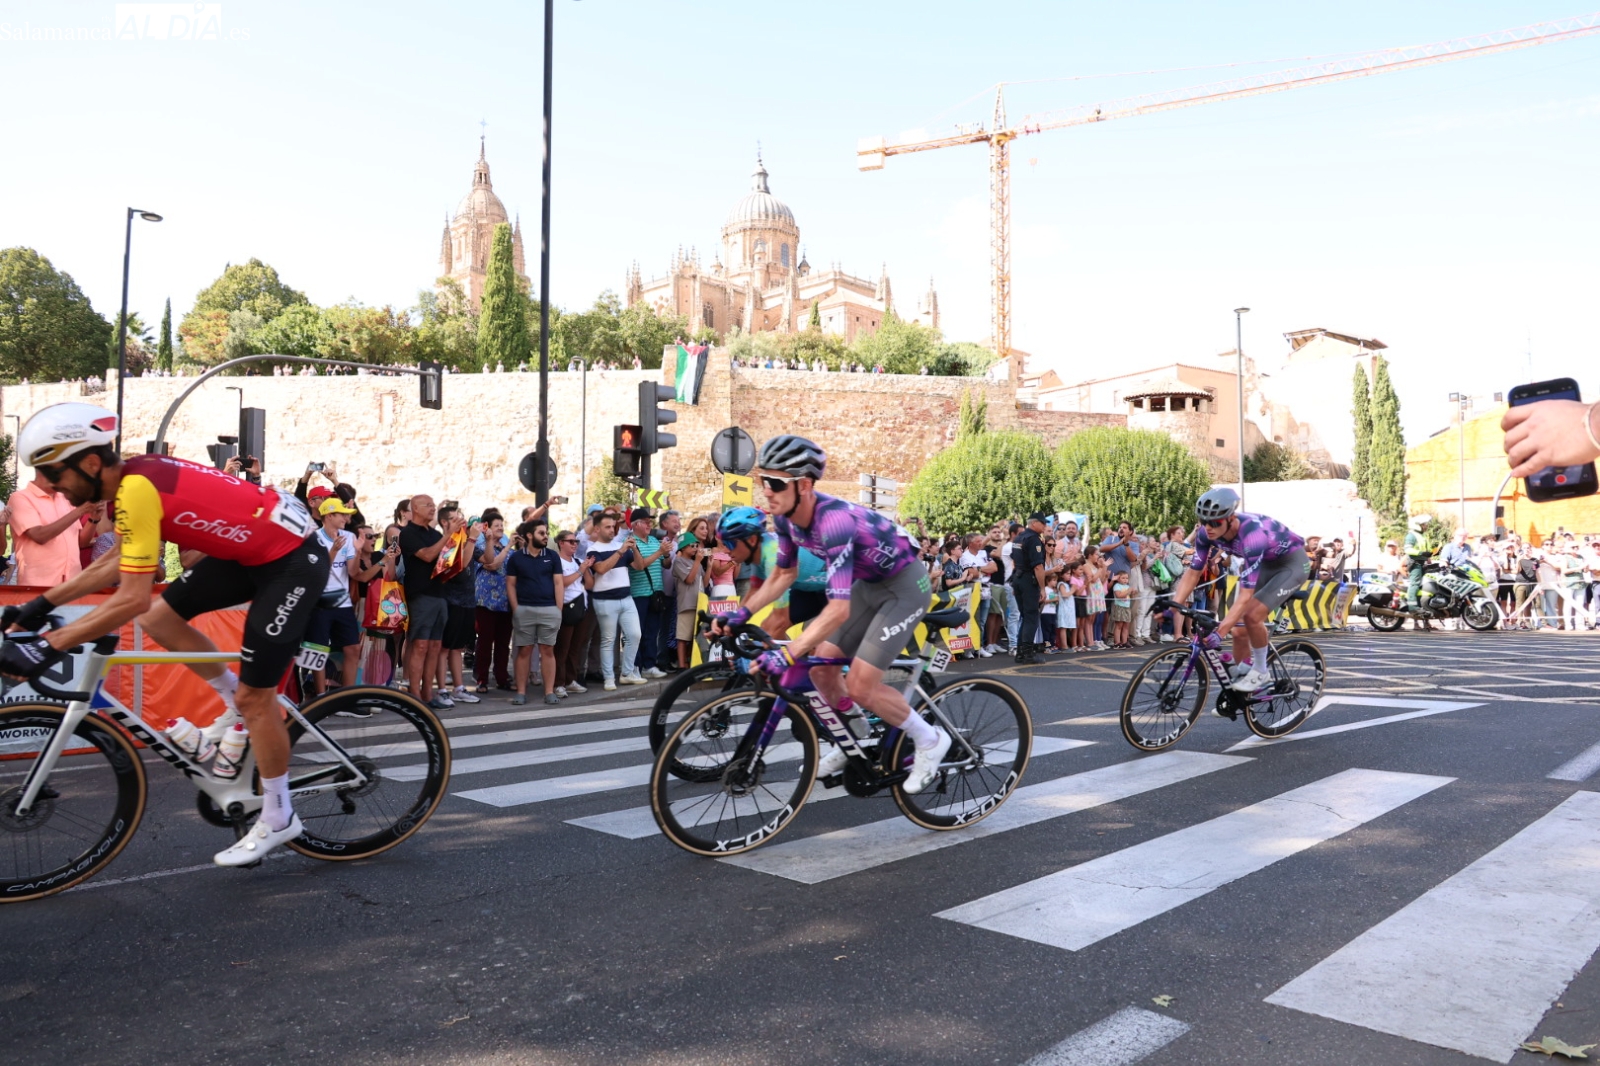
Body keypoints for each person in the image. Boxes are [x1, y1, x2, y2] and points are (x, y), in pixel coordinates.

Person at [0, 403, 328, 866]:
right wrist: (40, 606)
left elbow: (131, 597)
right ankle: (235, 704)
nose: (52, 486)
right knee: (159, 619)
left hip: (292, 561)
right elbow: (117, 561)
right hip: (249, 553)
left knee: (257, 698)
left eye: (54, 473)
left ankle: (279, 816)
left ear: (90, 462)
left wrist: (48, 645)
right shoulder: (131, 482)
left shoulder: (136, 487)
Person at [710, 435, 950, 793]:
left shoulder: (833, 522)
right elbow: (783, 575)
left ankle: (930, 740)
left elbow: (837, 609)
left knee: (861, 685)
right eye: (763, 480)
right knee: (822, 669)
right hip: (869, 585)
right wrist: (740, 614)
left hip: (904, 587)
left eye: (775, 482)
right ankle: (856, 739)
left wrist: (788, 653)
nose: (767, 490)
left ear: (805, 485)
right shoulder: (787, 520)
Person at [1163, 487, 1309, 694]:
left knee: (1251, 616)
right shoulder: (1206, 534)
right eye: (1204, 521)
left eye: (1215, 522)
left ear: (1231, 519)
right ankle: (1243, 694)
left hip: (1291, 564)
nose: (1208, 527)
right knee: (1238, 630)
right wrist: (1173, 607)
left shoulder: (1252, 535)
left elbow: (1245, 595)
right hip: (1265, 564)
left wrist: (1219, 633)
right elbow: (1193, 573)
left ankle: (1261, 671)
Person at [714, 506, 831, 637]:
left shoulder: (773, 556)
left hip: (842, 586)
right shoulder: (759, 552)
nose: (725, 551)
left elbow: (781, 617)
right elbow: (755, 591)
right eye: (724, 544)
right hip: (814, 589)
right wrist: (728, 620)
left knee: (820, 644)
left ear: (752, 540)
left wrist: (737, 619)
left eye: (730, 544)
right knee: (768, 628)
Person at [399, 495, 463, 709]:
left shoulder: (434, 534)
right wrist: (448, 535)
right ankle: (415, 695)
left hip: (440, 594)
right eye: (428, 505)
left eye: (433, 505)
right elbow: (427, 555)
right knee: (420, 645)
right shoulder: (408, 533)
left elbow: (446, 560)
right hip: (420, 595)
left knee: (435, 646)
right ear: (415, 509)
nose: (433, 508)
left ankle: (428, 693)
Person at [307, 497, 364, 702]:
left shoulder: (349, 536)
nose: (346, 518)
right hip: (319, 602)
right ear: (329, 516)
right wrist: (333, 551)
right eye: (342, 514)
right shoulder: (313, 538)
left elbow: (353, 572)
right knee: (318, 650)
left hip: (343, 602)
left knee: (352, 648)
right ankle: (321, 698)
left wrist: (358, 551)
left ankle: (348, 699)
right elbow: (317, 572)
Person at [505, 519, 564, 705]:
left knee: (548, 650)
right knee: (524, 651)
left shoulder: (553, 556)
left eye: (546, 533)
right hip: (524, 610)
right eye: (541, 533)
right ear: (529, 535)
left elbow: (558, 583)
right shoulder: (516, 558)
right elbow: (510, 584)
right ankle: (521, 692)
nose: (546, 536)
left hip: (549, 609)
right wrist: (516, 608)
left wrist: (558, 609)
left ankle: (549, 692)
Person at [585, 512, 645, 691]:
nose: (612, 530)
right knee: (608, 640)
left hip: (626, 597)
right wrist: (621, 551)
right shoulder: (592, 549)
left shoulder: (621, 546)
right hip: (605, 600)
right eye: (608, 527)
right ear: (597, 529)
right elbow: (601, 569)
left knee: (635, 635)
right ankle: (609, 678)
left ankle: (627, 673)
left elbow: (639, 566)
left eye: (613, 526)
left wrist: (634, 549)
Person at [7, 464, 91, 587]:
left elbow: (81, 542)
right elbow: (39, 535)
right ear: (44, 472)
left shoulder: (65, 499)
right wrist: (80, 511)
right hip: (38, 584)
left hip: (71, 582)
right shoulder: (20, 498)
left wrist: (94, 519)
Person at [624, 507, 671, 681]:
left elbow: (666, 564)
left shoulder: (653, 540)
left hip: (656, 593)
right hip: (638, 594)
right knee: (637, 632)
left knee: (652, 631)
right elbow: (640, 565)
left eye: (650, 522)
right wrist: (660, 552)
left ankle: (649, 666)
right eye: (645, 522)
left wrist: (666, 555)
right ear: (635, 525)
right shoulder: (630, 542)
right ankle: (635, 666)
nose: (649, 525)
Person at [472, 511, 514, 693]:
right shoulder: (480, 545)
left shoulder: (507, 549)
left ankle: (502, 677)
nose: (501, 528)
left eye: (502, 525)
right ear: (487, 527)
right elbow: (492, 564)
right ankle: (481, 679)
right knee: (485, 642)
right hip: (485, 601)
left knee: (503, 643)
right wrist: (508, 546)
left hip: (505, 601)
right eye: (497, 525)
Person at [1010, 513, 1048, 664]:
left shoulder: (1019, 538)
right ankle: (1027, 653)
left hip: (1018, 578)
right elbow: (1038, 567)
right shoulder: (1033, 539)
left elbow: (1014, 560)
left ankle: (1020, 652)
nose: (1045, 526)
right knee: (1031, 616)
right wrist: (1042, 588)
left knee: (1025, 616)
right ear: (1034, 523)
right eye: (1042, 523)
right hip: (1028, 580)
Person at [671, 532, 706, 670]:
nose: (695, 548)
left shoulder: (697, 563)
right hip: (686, 604)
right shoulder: (679, 562)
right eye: (692, 545)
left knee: (695, 636)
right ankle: (681, 665)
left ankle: (690, 663)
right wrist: (697, 562)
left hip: (699, 603)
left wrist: (708, 565)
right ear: (683, 547)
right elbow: (689, 580)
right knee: (683, 637)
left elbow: (705, 583)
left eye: (697, 545)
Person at [1403, 514, 1436, 629]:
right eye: (1424, 524)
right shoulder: (1411, 535)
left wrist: (1429, 556)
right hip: (1416, 563)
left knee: (1426, 587)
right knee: (1415, 584)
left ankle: (1425, 613)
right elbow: (1408, 549)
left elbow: (1425, 549)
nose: (1426, 526)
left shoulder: (1422, 535)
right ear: (1417, 525)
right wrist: (1420, 553)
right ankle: (1412, 607)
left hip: (1423, 563)